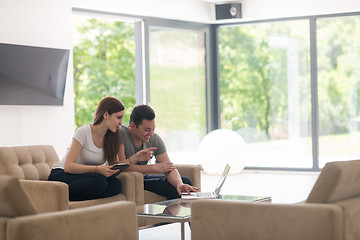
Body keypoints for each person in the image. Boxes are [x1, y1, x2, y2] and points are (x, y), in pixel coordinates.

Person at [48, 97, 153, 201]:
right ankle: (57, 196)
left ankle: (77, 197)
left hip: (85, 177)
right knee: (100, 181)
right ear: (106, 114)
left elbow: (115, 166)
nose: (121, 123)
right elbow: (68, 166)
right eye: (118, 117)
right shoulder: (83, 132)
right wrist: (97, 170)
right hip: (62, 174)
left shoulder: (112, 137)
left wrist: (134, 158)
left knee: (116, 184)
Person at [119, 104, 199, 200]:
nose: (151, 133)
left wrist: (180, 184)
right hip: (125, 180)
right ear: (132, 125)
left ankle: (169, 215)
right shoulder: (120, 134)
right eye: (147, 130)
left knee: (185, 184)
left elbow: (169, 167)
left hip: (142, 179)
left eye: (153, 129)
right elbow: (121, 167)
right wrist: (154, 168)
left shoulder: (154, 139)